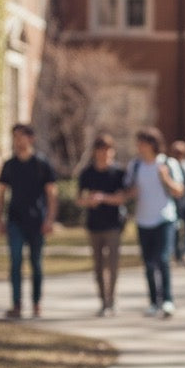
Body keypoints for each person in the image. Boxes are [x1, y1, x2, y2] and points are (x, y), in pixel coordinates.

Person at [0, 123, 57, 319]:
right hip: (15, 220)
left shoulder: (41, 164)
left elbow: (52, 195)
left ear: (31, 138)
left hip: (37, 220)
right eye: (14, 137)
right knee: (15, 262)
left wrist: (50, 219)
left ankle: (37, 302)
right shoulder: (9, 165)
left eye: (20, 136)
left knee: (36, 264)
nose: (17, 141)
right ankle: (16, 303)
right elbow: (1, 194)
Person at [124, 127, 184, 318]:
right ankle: (153, 302)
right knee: (148, 263)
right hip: (143, 220)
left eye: (142, 142)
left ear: (152, 144)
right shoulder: (135, 166)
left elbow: (179, 190)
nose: (138, 146)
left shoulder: (167, 163)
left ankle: (167, 300)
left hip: (164, 218)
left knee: (163, 259)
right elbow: (128, 190)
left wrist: (166, 178)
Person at [77, 133, 126, 316]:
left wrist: (104, 198)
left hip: (113, 224)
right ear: (95, 152)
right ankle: (102, 300)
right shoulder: (87, 173)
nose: (105, 155)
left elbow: (123, 198)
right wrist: (89, 201)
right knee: (98, 266)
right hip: (94, 225)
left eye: (108, 151)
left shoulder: (118, 173)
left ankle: (111, 301)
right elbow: (79, 199)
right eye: (101, 151)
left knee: (112, 264)